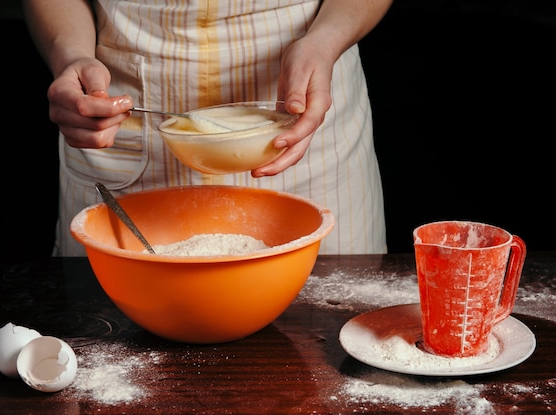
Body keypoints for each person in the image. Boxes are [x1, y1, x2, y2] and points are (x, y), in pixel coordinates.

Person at [22, 0, 393, 256]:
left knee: (320, 339)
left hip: (306, 129)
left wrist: (326, 42)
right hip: (127, 134)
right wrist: (71, 55)